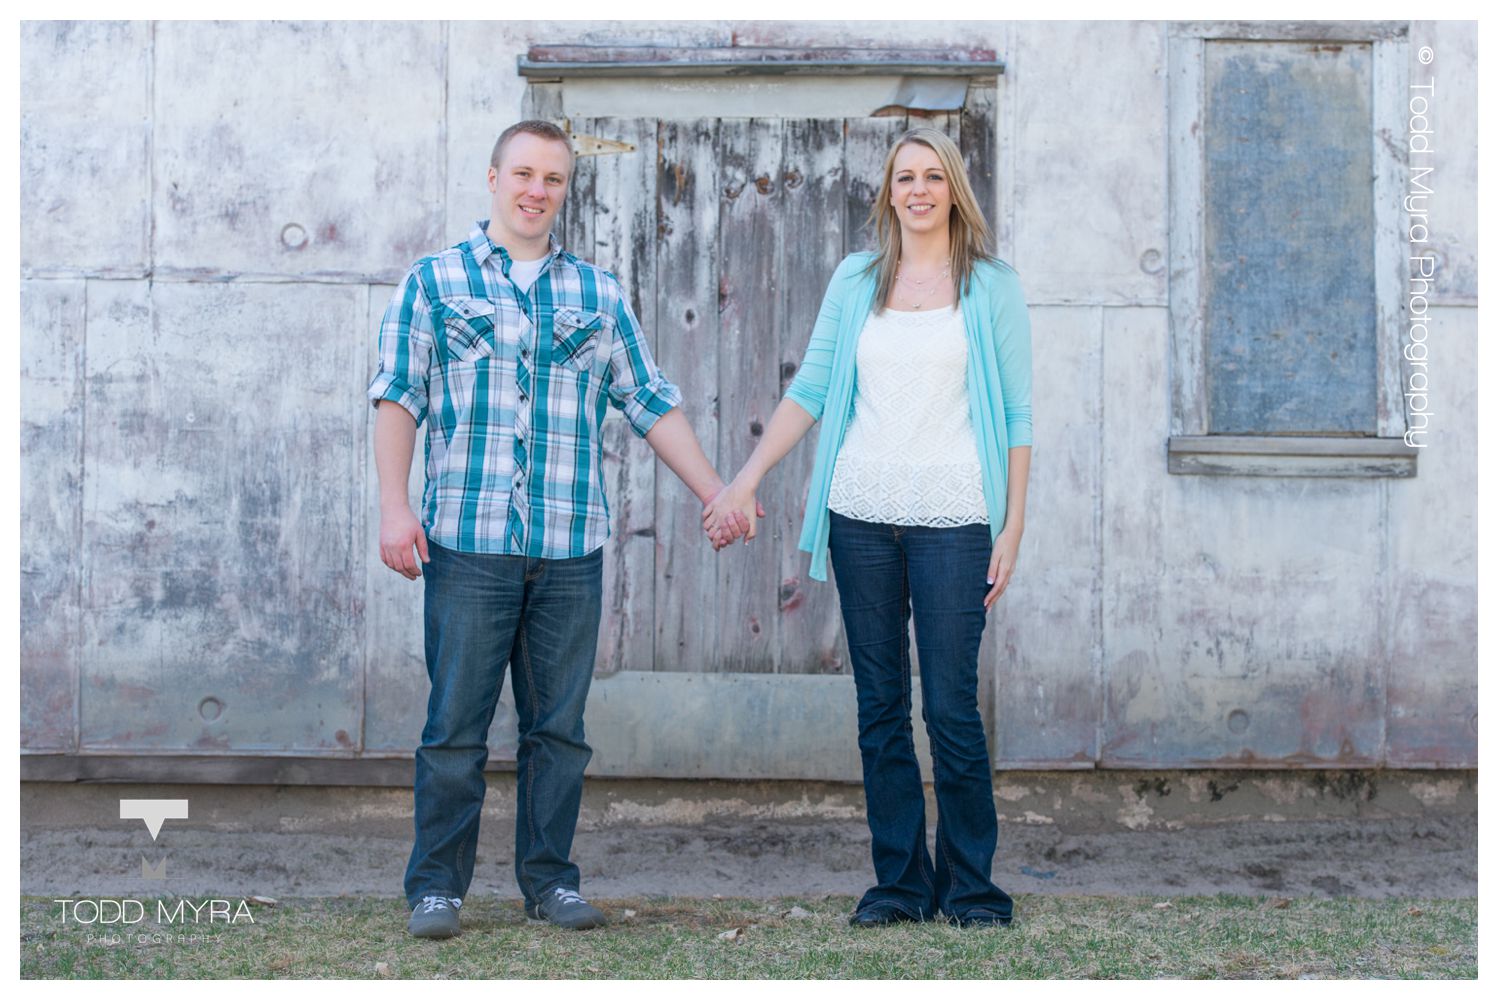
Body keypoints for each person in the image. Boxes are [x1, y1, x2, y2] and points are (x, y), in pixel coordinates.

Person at [369, 120, 753, 939]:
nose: (536, 190)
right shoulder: (433, 283)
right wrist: (394, 506)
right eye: (523, 174)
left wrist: (717, 491)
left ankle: (549, 884)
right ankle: (435, 889)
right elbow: (399, 394)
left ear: (565, 190)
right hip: (467, 543)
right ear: (494, 178)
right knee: (453, 730)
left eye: (552, 178)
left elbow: (648, 400)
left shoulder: (598, 293)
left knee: (558, 733)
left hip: (569, 548)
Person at [704, 126, 1032, 927]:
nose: (918, 190)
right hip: (860, 516)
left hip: (956, 516)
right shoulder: (856, 279)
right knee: (881, 706)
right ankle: (900, 885)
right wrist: (746, 478)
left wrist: (1013, 526)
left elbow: (1019, 416)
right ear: (889, 191)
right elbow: (812, 390)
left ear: (954, 190)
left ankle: (972, 889)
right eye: (904, 177)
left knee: (950, 707)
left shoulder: (992, 285)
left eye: (933, 176)